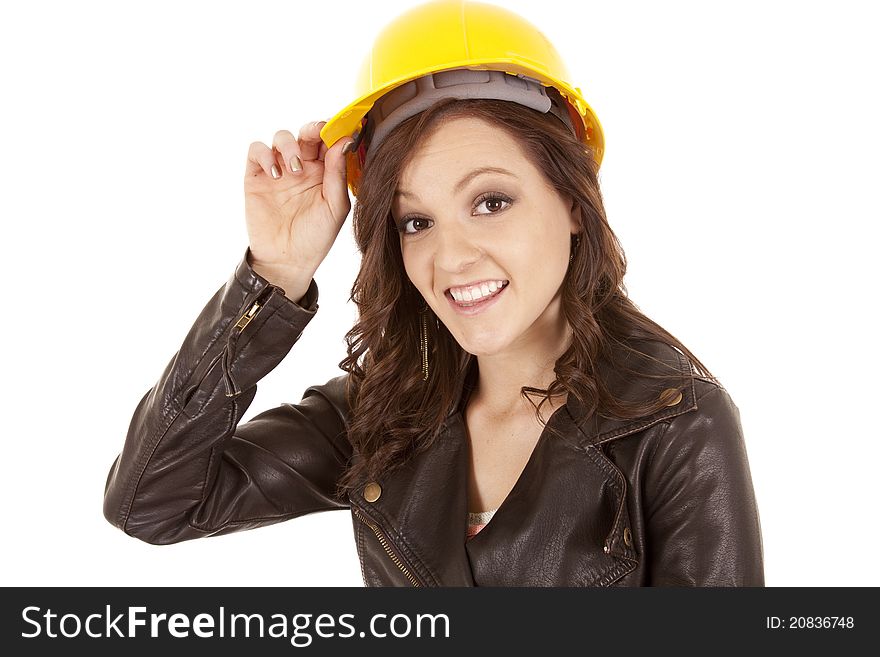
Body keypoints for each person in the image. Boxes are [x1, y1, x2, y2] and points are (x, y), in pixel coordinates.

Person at [103, 0, 764, 586]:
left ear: (572, 202)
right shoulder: (389, 408)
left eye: (491, 201)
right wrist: (274, 274)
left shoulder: (676, 424)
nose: (449, 257)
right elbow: (153, 501)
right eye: (416, 221)